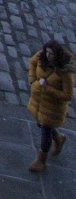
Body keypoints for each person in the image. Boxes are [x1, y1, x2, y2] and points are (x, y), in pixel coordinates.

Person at [27, 40, 75, 172]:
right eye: (47, 52)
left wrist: (48, 89)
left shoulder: (65, 74)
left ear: (57, 54)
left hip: (53, 108)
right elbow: (32, 62)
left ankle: (41, 161)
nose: (48, 56)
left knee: (45, 131)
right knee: (42, 125)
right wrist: (33, 80)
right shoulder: (41, 56)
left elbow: (68, 95)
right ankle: (59, 139)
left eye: (52, 54)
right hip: (39, 102)